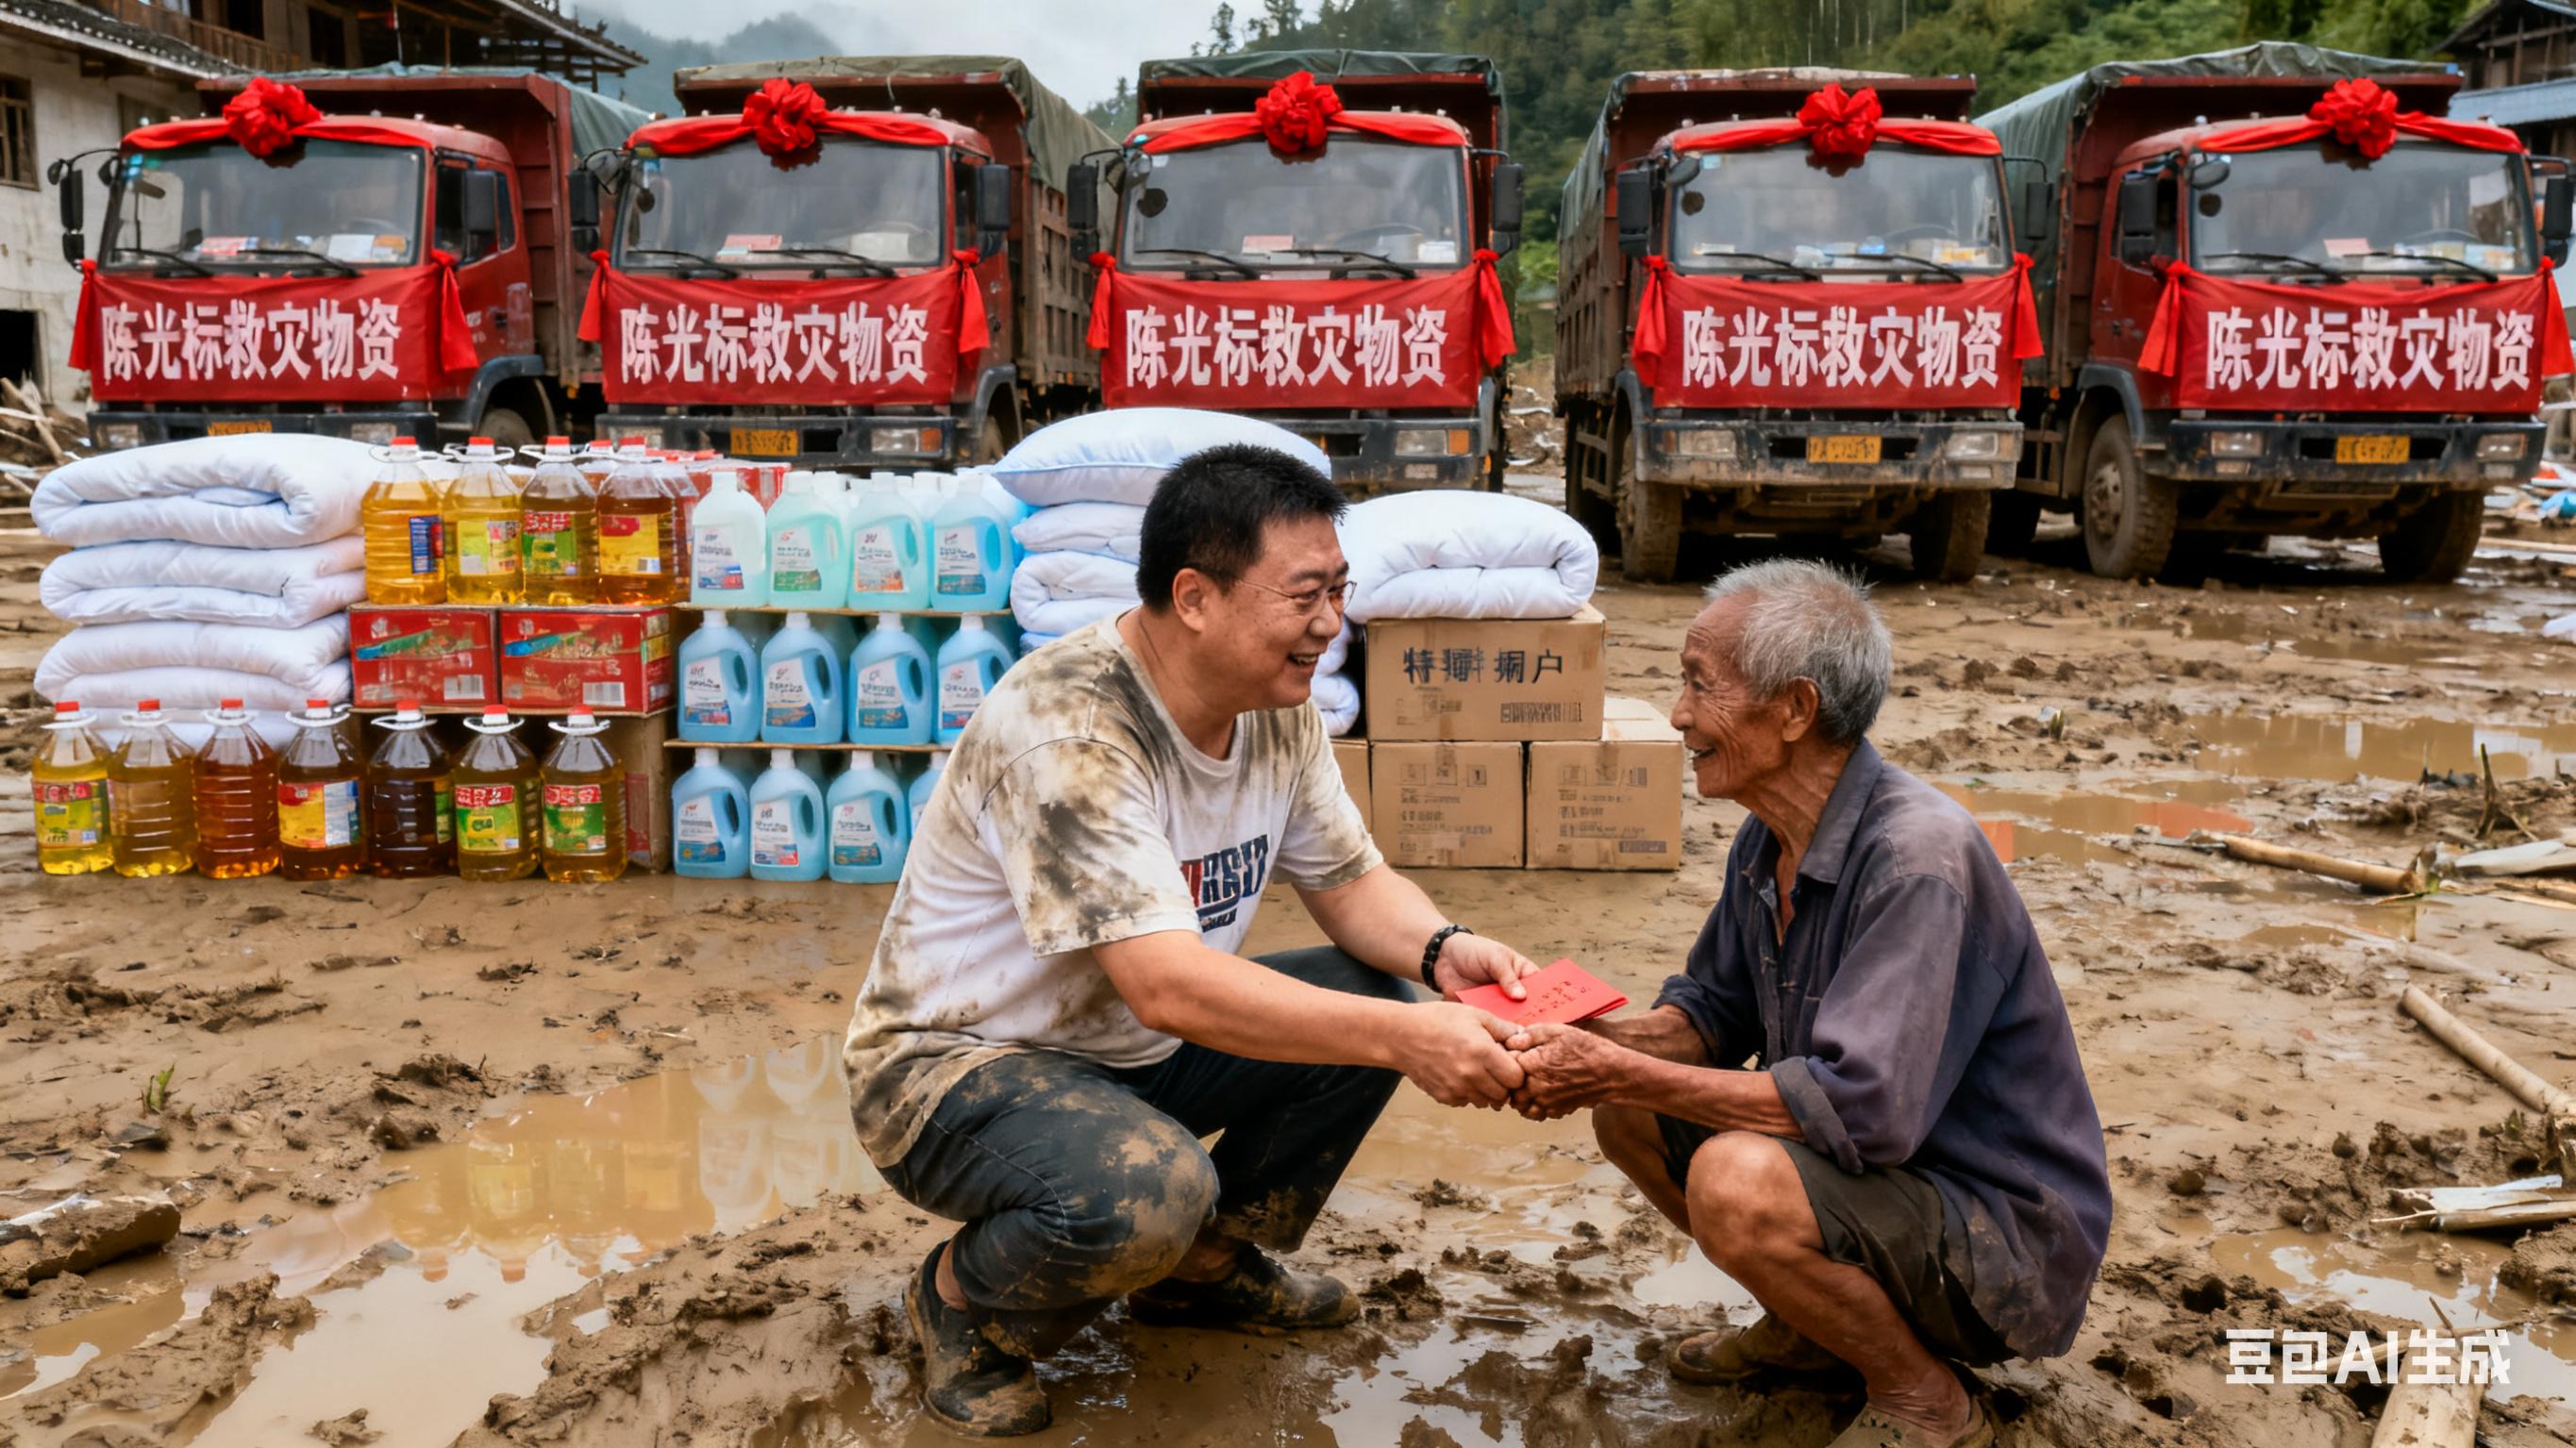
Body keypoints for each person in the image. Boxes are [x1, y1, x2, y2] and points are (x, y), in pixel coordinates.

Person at [844, 442, 1544, 1438]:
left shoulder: (1275, 708)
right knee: (1154, 1185)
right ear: (1195, 596)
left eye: (1339, 590)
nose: (1329, 623)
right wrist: (1414, 1041)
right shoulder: (1074, 727)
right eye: (1303, 594)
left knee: (1377, 995)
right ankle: (960, 1296)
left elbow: (1350, 883)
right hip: (957, 1072)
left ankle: (1200, 1270)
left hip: (1131, 1051)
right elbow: (1167, 986)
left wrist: (1443, 950)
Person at [1505, 559, 2112, 1448]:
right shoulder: (1770, 837)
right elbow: (1710, 1016)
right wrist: (1580, 1039)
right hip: (1893, 1190)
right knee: (1628, 1111)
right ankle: (1815, 1329)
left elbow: (1861, 1111)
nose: (1677, 714)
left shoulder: (1915, 860)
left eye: (1700, 684)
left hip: (2002, 1241)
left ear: (1794, 708)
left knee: (1734, 1180)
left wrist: (1610, 1067)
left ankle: (1929, 1403)